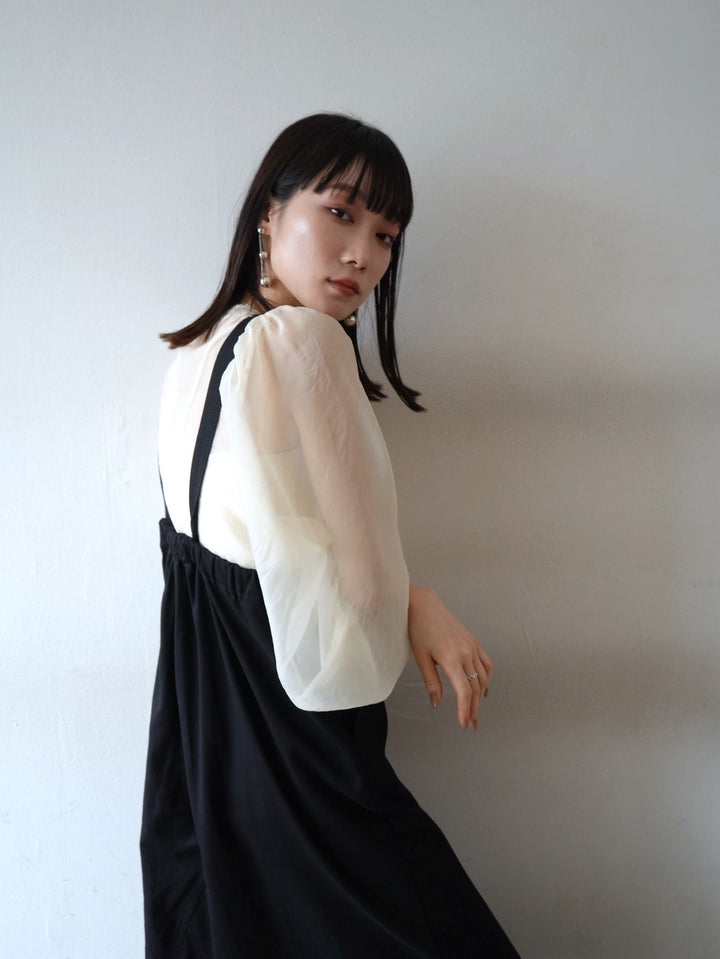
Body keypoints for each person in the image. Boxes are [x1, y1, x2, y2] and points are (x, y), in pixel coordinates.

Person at [140, 113, 521, 958]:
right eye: (341, 213)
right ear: (268, 212)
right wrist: (416, 599)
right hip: (296, 740)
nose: (363, 256)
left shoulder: (199, 349)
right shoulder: (303, 340)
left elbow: (254, 547)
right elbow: (363, 586)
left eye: (385, 235)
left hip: (204, 737)